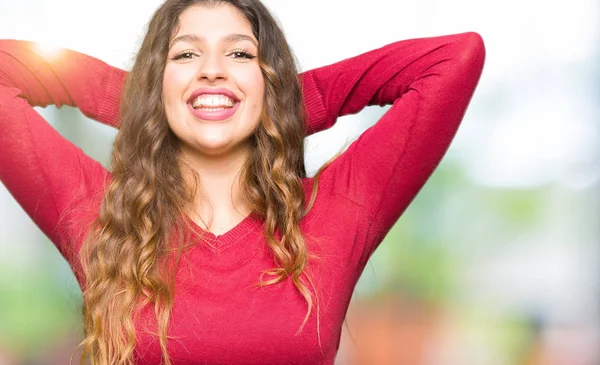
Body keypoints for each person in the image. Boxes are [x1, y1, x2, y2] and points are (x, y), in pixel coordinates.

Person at [0, 0, 485, 363]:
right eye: (185, 55)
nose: (212, 70)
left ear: (266, 79)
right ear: (158, 80)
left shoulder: (333, 212)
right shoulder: (103, 216)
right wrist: (136, 100)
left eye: (239, 54)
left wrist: (291, 103)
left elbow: (454, 58)